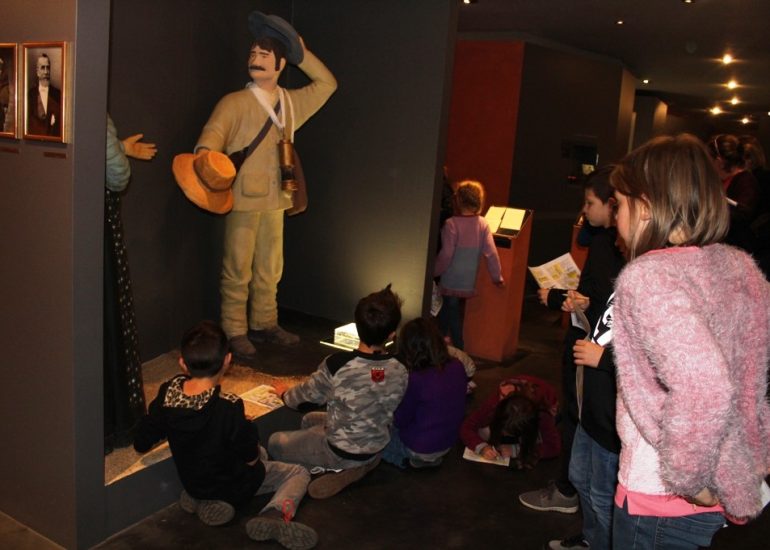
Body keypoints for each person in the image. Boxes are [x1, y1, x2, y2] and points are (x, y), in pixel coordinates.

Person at [610, 134, 770, 549]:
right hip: (731, 478)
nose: (615, 216)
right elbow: (755, 378)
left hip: (662, 495)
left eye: (619, 204)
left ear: (645, 207)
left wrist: (688, 477)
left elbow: (705, 384)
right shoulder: (741, 268)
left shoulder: (648, 277)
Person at [194, 11, 337, 358]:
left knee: (271, 267)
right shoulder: (234, 103)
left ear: (281, 63)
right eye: (253, 54)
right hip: (242, 198)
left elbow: (327, 84)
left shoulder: (290, 102)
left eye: (265, 55)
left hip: (277, 197)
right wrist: (205, 159)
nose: (256, 60)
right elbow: (209, 139)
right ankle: (234, 328)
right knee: (237, 267)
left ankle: (265, 321)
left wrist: (302, 54)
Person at [134, 321, 318, 550]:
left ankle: (201, 499)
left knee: (243, 453)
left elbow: (142, 440)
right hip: (233, 484)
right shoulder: (228, 407)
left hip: (194, 482)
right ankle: (274, 514)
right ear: (227, 360)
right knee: (296, 472)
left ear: (182, 362)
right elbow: (250, 459)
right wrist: (246, 426)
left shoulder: (167, 393)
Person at [519, 166, 625, 539]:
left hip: (600, 367)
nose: (584, 210)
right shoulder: (602, 242)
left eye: (590, 202)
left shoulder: (626, 253)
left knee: (599, 480)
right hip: (589, 358)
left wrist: (566, 300)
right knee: (585, 462)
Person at [268, 285, 408, 499]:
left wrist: (284, 395)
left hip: (340, 450)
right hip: (377, 441)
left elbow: (303, 400)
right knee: (308, 420)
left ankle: (340, 468)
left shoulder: (337, 365)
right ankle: (364, 463)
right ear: (391, 333)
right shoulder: (400, 367)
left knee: (275, 442)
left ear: (357, 327)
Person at [548, 293, 620, 550]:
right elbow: (607, 329)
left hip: (611, 424)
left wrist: (603, 360)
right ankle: (593, 538)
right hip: (590, 413)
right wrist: (588, 309)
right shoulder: (625, 279)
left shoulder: (656, 289)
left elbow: (657, 364)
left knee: (603, 498)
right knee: (579, 479)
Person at [103, 114, 157, 454]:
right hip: (98, 219)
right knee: (107, 313)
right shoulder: (94, 110)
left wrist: (119, 147)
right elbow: (117, 175)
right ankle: (115, 418)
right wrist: (119, 155)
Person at [381, 317, 468, 469]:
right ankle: (427, 459)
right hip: (448, 442)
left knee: (374, 439)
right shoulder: (457, 366)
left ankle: (406, 461)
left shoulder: (416, 379)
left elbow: (400, 421)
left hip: (419, 446)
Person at [434, 179, 504, 350]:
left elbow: (446, 254)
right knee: (448, 310)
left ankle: (457, 346)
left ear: (458, 200)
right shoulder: (483, 224)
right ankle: (442, 342)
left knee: (450, 311)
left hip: (451, 277)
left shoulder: (451, 224)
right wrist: (497, 277)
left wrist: (434, 271)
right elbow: (491, 253)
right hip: (467, 279)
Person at [460, 374, 560, 469]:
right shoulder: (499, 398)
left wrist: (517, 450)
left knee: (538, 439)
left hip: (545, 404)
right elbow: (468, 426)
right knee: (484, 433)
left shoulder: (542, 414)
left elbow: (554, 447)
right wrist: (482, 447)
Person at [707, 133, 760, 253]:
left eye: (709, 160)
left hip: (738, 249)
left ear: (719, 161)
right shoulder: (724, 180)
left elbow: (742, 216)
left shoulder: (746, 181)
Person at [27, 53, 61, 137]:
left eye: (48, 68)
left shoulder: (58, 94)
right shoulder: (30, 95)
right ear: (37, 71)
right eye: (43, 68)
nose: (46, 72)